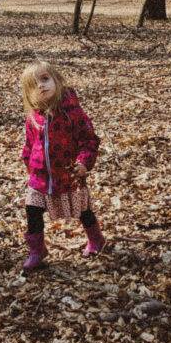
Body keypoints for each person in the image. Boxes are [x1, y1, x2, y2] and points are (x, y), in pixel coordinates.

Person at [19, 60, 104, 270]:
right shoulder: (33, 118)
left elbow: (89, 140)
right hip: (40, 177)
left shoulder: (71, 113)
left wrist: (84, 162)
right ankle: (37, 251)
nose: (41, 86)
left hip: (69, 175)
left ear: (57, 80)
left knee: (82, 209)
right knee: (32, 209)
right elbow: (30, 144)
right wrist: (28, 162)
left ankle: (96, 240)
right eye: (34, 84)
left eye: (45, 79)